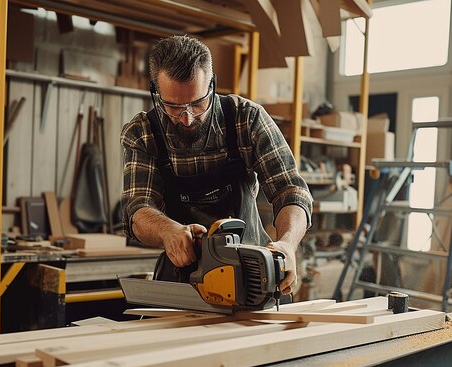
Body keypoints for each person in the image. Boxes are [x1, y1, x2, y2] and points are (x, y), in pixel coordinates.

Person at [120, 35, 312, 297]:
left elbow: (290, 190)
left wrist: (288, 244)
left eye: (197, 103)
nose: (187, 118)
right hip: (182, 282)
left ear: (212, 84)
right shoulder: (143, 132)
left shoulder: (246, 119)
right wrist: (168, 231)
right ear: (156, 91)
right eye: (173, 107)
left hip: (251, 274)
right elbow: (137, 210)